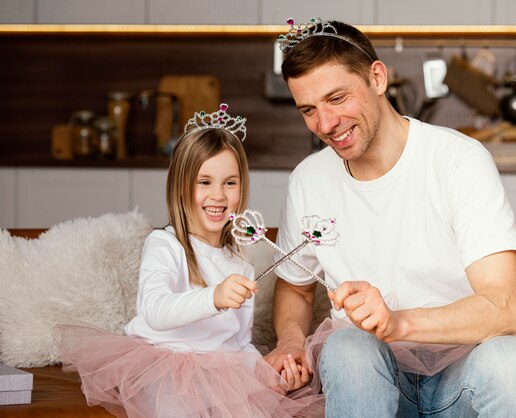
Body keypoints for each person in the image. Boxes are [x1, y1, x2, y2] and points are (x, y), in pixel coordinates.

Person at [265, 18, 516, 417]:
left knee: (512, 360)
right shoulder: (308, 180)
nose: (325, 125)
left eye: (337, 98)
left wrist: (398, 323)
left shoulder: (459, 161)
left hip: (462, 372)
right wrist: (291, 340)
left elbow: (507, 306)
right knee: (347, 345)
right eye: (308, 110)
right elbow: (295, 286)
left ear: (377, 78)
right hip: (368, 376)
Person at [55, 104, 323, 418]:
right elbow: (155, 310)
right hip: (164, 366)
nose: (218, 196)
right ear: (181, 187)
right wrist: (214, 297)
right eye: (204, 182)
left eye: (230, 183)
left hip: (220, 374)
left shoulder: (241, 265)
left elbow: (236, 345)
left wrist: (269, 379)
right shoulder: (166, 245)